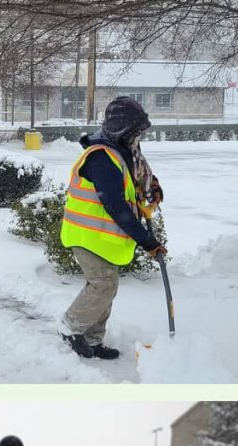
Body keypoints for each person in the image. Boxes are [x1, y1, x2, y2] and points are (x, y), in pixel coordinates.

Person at [60, 96, 167, 360]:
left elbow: (133, 186)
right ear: (123, 130)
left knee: (107, 286)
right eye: (135, 131)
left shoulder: (122, 154)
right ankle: (70, 327)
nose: (138, 137)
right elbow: (115, 206)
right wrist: (146, 240)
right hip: (86, 235)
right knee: (103, 284)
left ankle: (93, 340)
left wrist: (150, 188)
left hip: (101, 237)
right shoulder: (101, 158)